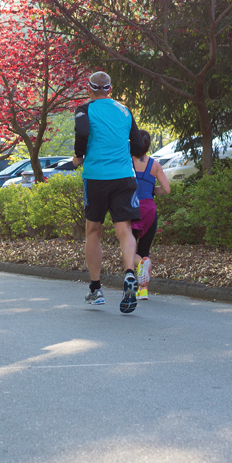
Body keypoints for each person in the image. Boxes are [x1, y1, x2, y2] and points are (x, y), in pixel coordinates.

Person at [74, 71, 146, 313]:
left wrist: (78, 156)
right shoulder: (125, 111)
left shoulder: (84, 110)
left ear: (90, 89)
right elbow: (137, 145)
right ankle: (128, 273)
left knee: (93, 230)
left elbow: (83, 134)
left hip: (96, 177)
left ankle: (96, 289)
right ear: (110, 90)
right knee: (124, 228)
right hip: (124, 177)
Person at [131, 131, 170, 300]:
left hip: (131, 209)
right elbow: (167, 189)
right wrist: (151, 190)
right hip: (149, 210)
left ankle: (139, 267)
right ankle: (143, 291)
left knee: (129, 250)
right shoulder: (155, 165)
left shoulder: (127, 161)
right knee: (144, 250)